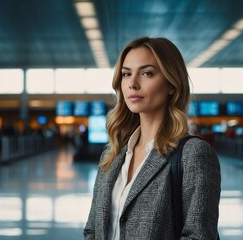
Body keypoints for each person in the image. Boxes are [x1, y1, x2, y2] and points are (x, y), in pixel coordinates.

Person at [84, 37, 221, 239]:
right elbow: (92, 230)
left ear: (172, 85)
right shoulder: (112, 154)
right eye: (126, 74)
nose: (132, 83)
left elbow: (199, 236)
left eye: (147, 73)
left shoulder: (193, 155)